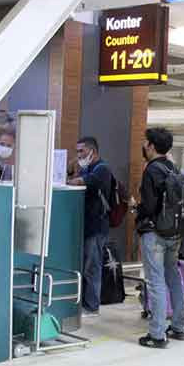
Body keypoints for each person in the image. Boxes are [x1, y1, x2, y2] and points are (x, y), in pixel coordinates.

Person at [136, 127, 184, 349]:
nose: (143, 146)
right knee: (173, 277)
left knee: (155, 281)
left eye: (145, 143)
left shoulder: (151, 170)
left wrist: (136, 208)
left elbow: (149, 205)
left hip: (154, 233)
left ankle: (156, 334)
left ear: (152, 146)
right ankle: (177, 326)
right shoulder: (172, 167)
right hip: (173, 232)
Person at [66, 136, 112, 318]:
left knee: (92, 268)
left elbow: (80, 182)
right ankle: (84, 302)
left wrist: (70, 176)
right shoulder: (88, 169)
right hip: (86, 225)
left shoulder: (102, 169)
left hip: (97, 227)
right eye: (77, 151)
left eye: (81, 151)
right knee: (85, 266)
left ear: (92, 151)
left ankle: (92, 306)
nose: (78, 155)